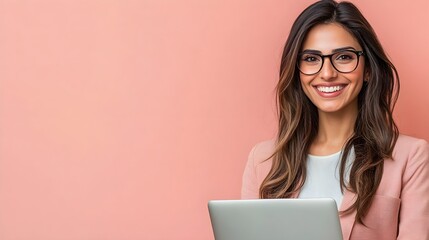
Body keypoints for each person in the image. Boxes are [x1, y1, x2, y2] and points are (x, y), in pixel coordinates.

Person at [241, 1, 429, 239]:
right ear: (296, 71)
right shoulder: (262, 160)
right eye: (311, 59)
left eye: (343, 57)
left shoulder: (410, 157)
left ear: (368, 69)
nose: (327, 73)